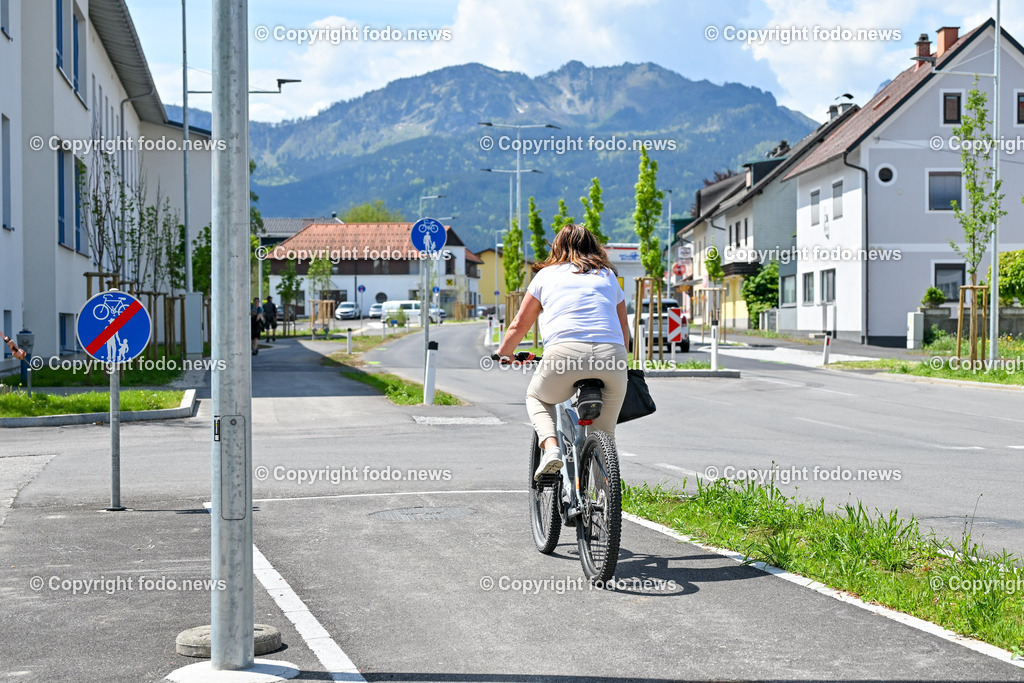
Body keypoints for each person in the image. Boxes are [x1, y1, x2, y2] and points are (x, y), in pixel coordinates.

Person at [495, 224, 629, 480]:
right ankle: (604, 507)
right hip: (613, 357)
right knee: (605, 436)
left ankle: (551, 449)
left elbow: (519, 324)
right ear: (593, 247)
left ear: (556, 248)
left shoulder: (545, 276)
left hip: (564, 356)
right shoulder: (608, 276)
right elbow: (624, 329)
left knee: (537, 397)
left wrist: (504, 353)